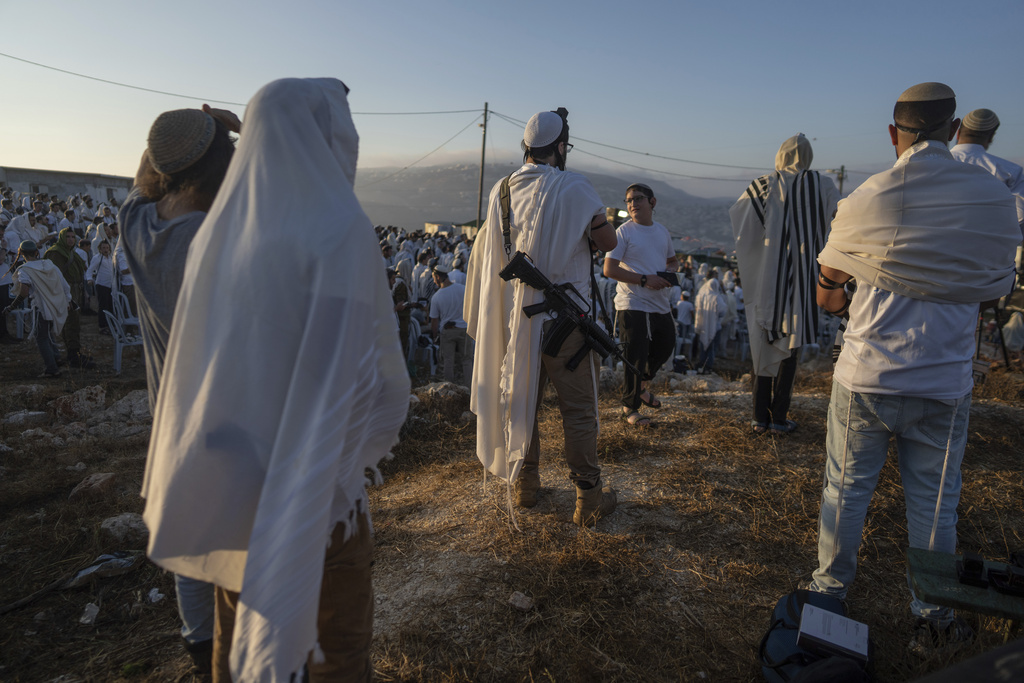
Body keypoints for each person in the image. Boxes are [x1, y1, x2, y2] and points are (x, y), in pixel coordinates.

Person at [141, 78, 409, 683]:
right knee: (333, 650)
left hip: (235, 477)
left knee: (239, 633)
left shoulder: (219, 232)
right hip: (317, 488)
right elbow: (371, 383)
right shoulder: (337, 230)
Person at [807, 82, 1020, 656]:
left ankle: (827, 596)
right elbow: (998, 284)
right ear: (954, 133)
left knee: (845, 492)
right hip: (945, 381)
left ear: (893, 133)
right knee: (935, 504)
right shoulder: (994, 198)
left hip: (868, 376)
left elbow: (828, 297)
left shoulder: (869, 199)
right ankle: (932, 617)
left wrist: (845, 285)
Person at [118, 103, 241, 674]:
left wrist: (186, 139)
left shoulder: (137, 225)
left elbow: (142, 182)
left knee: (189, 546)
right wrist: (230, 127)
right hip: (228, 422)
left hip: (170, 419)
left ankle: (200, 648)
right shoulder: (220, 242)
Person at [466, 107, 618, 526]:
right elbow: (607, 242)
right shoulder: (574, 187)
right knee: (579, 412)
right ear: (561, 147)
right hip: (567, 326)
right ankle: (588, 499)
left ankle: (526, 485)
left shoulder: (501, 190)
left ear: (527, 148)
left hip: (520, 324)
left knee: (521, 406)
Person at [730, 134, 839, 435]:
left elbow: (741, 222)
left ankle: (757, 418)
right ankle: (779, 418)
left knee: (762, 342)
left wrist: (763, 248)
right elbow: (838, 222)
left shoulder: (762, 185)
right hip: (805, 278)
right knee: (791, 348)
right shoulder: (823, 185)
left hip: (766, 278)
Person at [603, 182, 677, 427]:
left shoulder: (662, 232)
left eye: (638, 199)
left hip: (659, 302)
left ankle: (641, 386)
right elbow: (609, 269)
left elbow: (673, 261)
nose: (632, 204)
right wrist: (645, 279)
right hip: (632, 302)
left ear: (652, 202)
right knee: (635, 355)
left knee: (667, 344)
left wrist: (669, 274)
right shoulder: (624, 232)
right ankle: (629, 406)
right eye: (629, 200)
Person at [950, 108, 1024, 238]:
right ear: (991, 137)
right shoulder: (1010, 171)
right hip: (989, 251)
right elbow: (1020, 216)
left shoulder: (931, 163)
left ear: (957, 133)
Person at [3, 241, 71, 377]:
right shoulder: (49, 264)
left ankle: (52, 369)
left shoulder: (25, 270)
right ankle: (56, 358)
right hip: (56, 305)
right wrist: (67, 300)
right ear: (36, 252)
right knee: (47, 334)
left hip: (41, 308)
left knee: (41, 338)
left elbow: (24, 292)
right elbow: (64, 284)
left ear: (21, 254)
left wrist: (11, 307)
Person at [44, 227, 94, 368]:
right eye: (68, 237)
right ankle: (73, 356)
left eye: (73, 237)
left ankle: (75, 353)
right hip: (65, 291)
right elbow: (54, 276)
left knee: (75, 322)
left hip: (75, 289)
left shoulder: (71, 252)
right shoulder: (56, 252)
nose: (71, 239)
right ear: (62, 238)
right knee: (70, 323)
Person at [429, 263, 473, 383]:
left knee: (448, 361)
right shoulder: (462, 289)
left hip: (448, 332)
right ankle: (470, 390)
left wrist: (434, 336)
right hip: (464, 329)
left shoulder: (436, 297)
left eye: (433, 278)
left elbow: (434, 321)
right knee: (467, 361)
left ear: (438, 277)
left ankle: (450, 390)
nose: (434, 282)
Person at [693, 271, 725, 373]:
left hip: (703, 326)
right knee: (712, 347)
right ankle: (708, 366)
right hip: (715, 326)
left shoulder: (701, 295)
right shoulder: (717, 297)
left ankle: (702, 363)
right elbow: (722, 311)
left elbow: (697, 308)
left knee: (703, 345)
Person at [86, 240, 115, 334]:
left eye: (107, 248)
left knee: (111, 306)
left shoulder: (112, 258)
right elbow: (90, 270)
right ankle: (102, 327)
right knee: (103, 306)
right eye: (103, 248)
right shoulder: (97, 258)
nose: (106, 250)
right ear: (100, 249)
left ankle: (111, 325)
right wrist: (89, 279)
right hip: (102, 285)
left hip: (112, 285)